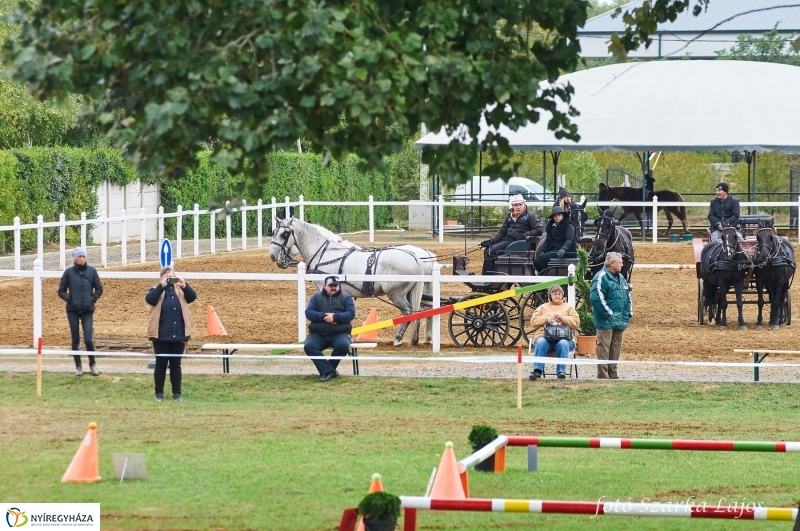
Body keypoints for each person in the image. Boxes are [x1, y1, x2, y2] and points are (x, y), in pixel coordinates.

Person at [146, 266, 197, 401]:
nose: (169, 279)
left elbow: (193, 297)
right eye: (166, 276)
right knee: (160, 364)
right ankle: (159, 393)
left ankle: (177, 393)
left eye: (171, 276)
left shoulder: (181, 290)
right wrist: (161, 286)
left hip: (179, 333)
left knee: (176, 365)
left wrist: (185, 285)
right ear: (161, 278)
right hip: (160, 334)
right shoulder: (156, 290)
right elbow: (150, 299)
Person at [58, 247, 104, 377]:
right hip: (72, 310)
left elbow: (99, 288)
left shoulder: (92, 271)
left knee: (88, 339)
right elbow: (61, 291)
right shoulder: (68, 273)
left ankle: (92, 364)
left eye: (83, 256)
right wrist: (69, 299)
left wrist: (92, 299)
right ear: (75, 258)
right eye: (79, 257)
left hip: (87, 310)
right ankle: (78, 366)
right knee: (75, 339)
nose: (82, 259)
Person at [304, 275, 356, 382]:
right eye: (331, 285)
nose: (333, 288)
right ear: (324, 286)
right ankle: (330, 371)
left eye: (336, 286)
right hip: (317, 334)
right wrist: (324, 317)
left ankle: (327, 371)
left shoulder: (346, 298)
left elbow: (351, 314)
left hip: (340, 333)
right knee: (309, 346)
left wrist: (335, 317)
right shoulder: (316, 297)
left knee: (343, 345)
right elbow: (309, 313)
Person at [590, 252, 633, 380]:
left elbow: (627, 297)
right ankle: (603, 376)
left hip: (619, 320)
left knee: (615, 349)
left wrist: (628, 313)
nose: (622, 265)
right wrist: (609, 314)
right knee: (604, 348)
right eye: (620, 262)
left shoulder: (621, 278)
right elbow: (596, 298)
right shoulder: (601, 277)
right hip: (606, 321)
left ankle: (613, 374)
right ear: (612, 263)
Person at [480, 194, 542, 274]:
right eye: (516, 205)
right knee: (488, 249)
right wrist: (491, 241)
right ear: (512, 206)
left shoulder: (530, 216)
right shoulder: (509, 216)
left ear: (524, 204)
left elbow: (539, 229)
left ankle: (490, 276)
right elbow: (502, 231)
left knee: (492, 251)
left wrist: (524, 235)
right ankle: (489, 275)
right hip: (508, 240)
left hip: (520, 242)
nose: (518, 207)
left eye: (520, 204)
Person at [528, 284, 580, 380]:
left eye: (559, 294)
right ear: (550, 296)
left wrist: (563, 319)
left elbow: (576, 323)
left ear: (562, 296)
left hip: (565, 338)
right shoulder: (542, 307)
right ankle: (537, 371)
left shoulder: (569, 308)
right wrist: (547, 319)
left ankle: (561, 372)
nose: (557, 296)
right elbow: (533, 322)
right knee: (541, 342)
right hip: (544, 338)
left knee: (563, 343)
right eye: (555, 294)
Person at [533, 205, 577, 273]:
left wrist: (563, 249)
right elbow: (547, 241)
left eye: (559, 215)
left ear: (562, 215)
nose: (557, 217)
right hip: (554, 250)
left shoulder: (569, 225)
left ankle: (546, 275)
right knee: (536, 261)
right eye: (555, 216)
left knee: (545, 257)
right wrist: (542, 251)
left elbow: (569, 240)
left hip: (567, 251)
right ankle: (542, 274)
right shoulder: (551, 226)